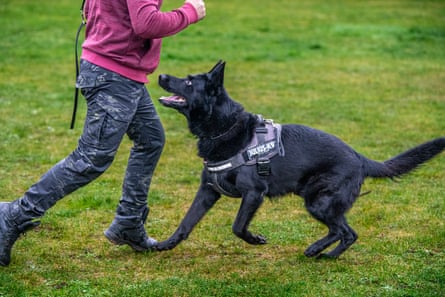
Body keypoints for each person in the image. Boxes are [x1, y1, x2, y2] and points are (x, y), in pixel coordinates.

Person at [0, 0, 206, 267]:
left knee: (150, 139)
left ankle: (128, 222)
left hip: (120, 71)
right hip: (113, 75)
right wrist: (189, 12)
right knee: (90, 159)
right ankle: (13, 216)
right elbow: (147, 24)